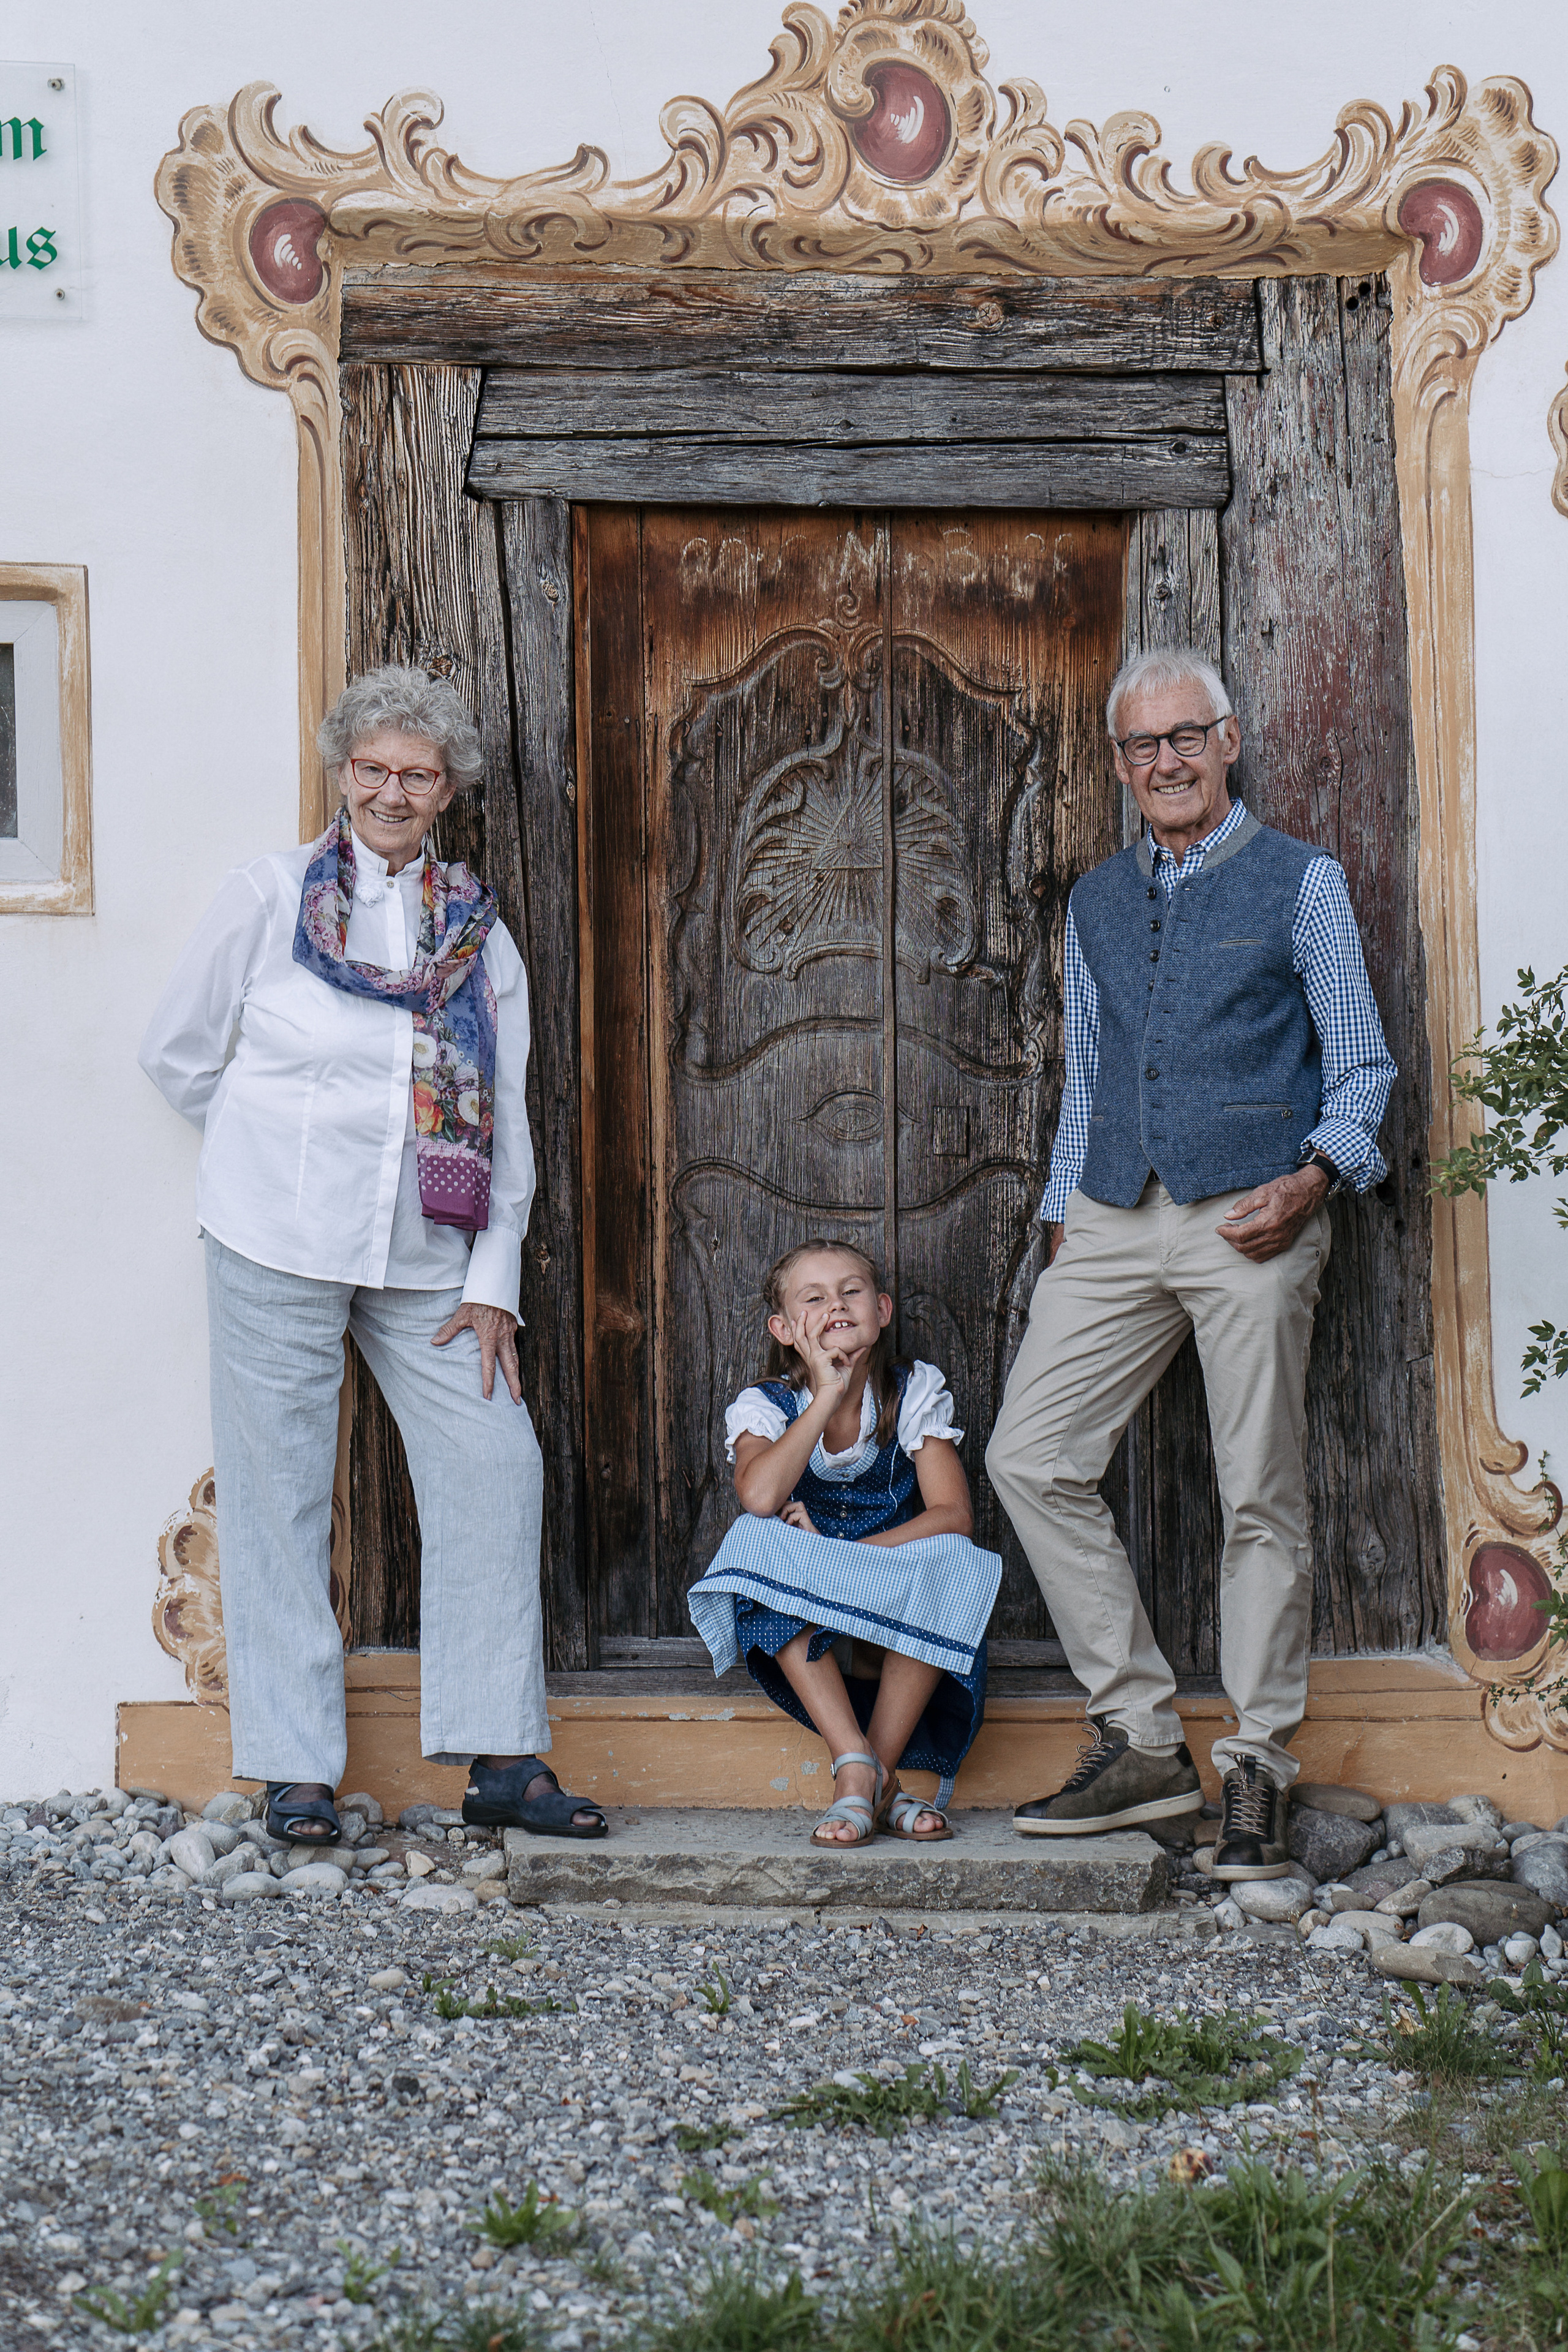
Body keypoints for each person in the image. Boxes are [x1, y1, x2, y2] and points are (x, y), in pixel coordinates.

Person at [138, 665, 605, 1845]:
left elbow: (503, 1114)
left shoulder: (477, 934)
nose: (393, 791)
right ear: (342, 772)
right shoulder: (267, 897)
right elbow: (182, 1057)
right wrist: (273, 1155)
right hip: (272, 1241)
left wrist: (493, 1283)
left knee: (497, 1469)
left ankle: (502, 1756)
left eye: (419, 773)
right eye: (373, 769)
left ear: (449, 790)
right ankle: (294, 1769)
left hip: (429, 1253)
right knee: (276, 1492)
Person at [985, 646, 1396, 1882]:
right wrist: (1067, 1212)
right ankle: (1140, 1734)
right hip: (1114, 1214)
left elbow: (1364, 1068)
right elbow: (1090, 1076)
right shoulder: (1095, 900)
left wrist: (1314, 1179)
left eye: (1182, 738)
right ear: (1117, 766)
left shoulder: (1300, 883)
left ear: (1225, 742)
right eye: (1137, 747)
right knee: (1027, 1456)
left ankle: (1257, 1763)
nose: (1161, 763)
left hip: (1252, 1214)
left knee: (1254, 1489)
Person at [687, 1240, 1003, 1845]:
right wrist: (828, 1392)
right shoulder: (767, 1405)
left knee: (953, 1561)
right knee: (757, 1538)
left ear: (882, 1310)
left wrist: (843, 1554)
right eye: (814, 1297)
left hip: (887, 1601)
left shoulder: (913, 1393)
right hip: (812, 1618)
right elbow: (758, 1496)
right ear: (783, 1329)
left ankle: (870, 1772)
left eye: (851, 1291)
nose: (836, 1303)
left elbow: (953, 1514)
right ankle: (860, 1770)